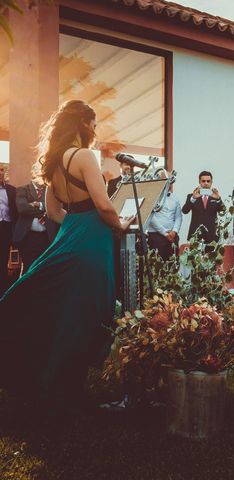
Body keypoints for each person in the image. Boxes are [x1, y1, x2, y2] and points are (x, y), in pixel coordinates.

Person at [0, 100, 134, 408]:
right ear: (83, 124)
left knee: (61, 309)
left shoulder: (54, 163)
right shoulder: (85, 156)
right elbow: (103, 205)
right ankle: (67, 384)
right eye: (94, 123)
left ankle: (55, 379)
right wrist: (121, 224)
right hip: (93, 244)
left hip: (69, 237)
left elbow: (53, 212)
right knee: (91, 309)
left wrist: (77, 223)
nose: (95, 130)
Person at [13, 172, 58, 272]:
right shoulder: (23, 189)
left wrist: (39, 204)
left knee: (45, 269)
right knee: (29, 269)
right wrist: (45, 212)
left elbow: (57, 208)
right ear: (34, 175)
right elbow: (22, 208)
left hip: (47, 237)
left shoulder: (51, 191)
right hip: (28, 238)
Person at [182, 170, 225, 251]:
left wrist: (219, 199)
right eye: (203, 181)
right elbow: (184, 210)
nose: (206, 183)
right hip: (196, 235)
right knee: (195, 262)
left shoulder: (215, 196)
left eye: (208, 181)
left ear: (211, 182)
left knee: (211, 262)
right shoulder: (191, 196)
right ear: (199, 182)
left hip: (212, 235)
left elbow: (223, 211)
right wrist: (193, 199)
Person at [147, 183, 182, 260]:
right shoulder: (151, 196)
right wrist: (165, 232)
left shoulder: (175, 198)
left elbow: (178, 217)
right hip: (156, 236)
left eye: (171, 181)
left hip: (173, 236)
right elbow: (151, 216)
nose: (169, 183)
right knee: (158, 265)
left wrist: (174, 231)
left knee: (173, 264)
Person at [0, 163, 17, 295]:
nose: (0, 172)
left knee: (4, 257)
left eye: (1, 170)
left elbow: (16, 212)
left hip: (6, 228)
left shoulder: (12, 190)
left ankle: (4, 289)